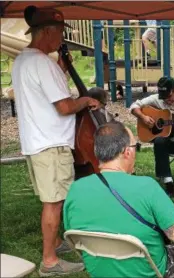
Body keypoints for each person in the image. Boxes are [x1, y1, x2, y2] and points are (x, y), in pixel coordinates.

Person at [11, 5, 101, 276]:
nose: (62, 39)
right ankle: (49, 261)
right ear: (48, 32)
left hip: (36, 141)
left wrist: (60, 69)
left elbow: (43, 92)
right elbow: (63, 107)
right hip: (51, 145)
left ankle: (57, 242)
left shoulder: (23, 60)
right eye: (61, 33)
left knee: (51, 198)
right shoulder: (42, 63)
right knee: (54, 203)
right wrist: (85, 100)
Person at [63, 121, 174, 278]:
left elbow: (73, 237)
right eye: (135, 146)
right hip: (150, 271)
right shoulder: (147, 186)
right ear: (127, 152)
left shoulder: (75, 189)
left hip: (100, 271)